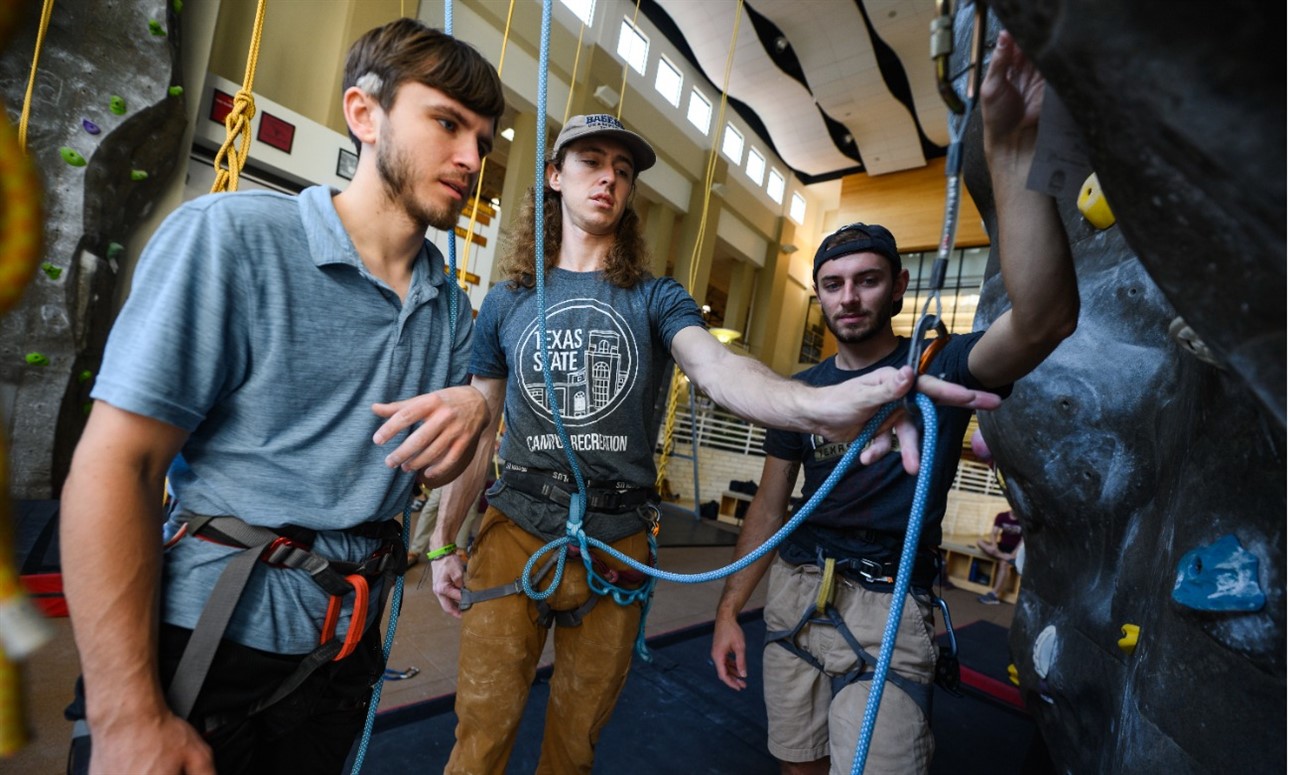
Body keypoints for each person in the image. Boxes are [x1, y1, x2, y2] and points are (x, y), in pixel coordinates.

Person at [417, 112, 1004, 775]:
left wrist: (817, 403)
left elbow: (721, 370)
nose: (609, 176)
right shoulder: (506, 301)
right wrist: (443, 536)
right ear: (554, 176)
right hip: (516, 524)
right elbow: (480, 423)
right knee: (481, 733)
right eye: (591, 161)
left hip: (618, 540)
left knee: (574, 745)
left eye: (624, 168)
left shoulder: (658, 297)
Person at [58, 19, 503, 774]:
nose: (470, 159)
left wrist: (477, 407)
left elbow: (449, 459)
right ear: (364, 114)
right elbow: (117, 466)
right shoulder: (233, 240)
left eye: (484, 142)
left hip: (340, 656)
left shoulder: (449, 309)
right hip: (208, 640)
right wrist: (126, 714)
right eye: (447, 123)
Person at [709, 30, 1079, 775]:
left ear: (897, 287)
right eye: (835, 282)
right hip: (794, 593)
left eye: (868, 278)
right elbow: (769, 506)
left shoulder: (938, 366)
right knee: (798, 763)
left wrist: (1009, 156)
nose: (850, 295)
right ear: (818, 295)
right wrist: (728, 607)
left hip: (888, 607)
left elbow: (1044, 316)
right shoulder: (803, 391)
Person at [976, 510, 1023, 605]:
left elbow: (1023, 540)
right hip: (1001, 548)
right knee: (980, 541)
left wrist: (1014, 554)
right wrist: (994, 546)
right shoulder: (1002, 516)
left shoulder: (1024, 520)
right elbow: (994, 533)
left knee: (1004, 564)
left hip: (1015, 549)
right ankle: (1004, 557)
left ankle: (994, 595)